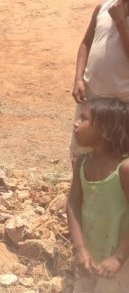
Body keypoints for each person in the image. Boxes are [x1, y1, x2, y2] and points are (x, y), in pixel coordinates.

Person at [66, 97, 129, 292]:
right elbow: (73, 204)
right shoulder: (82, 163)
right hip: (89, 258)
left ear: (104, 130)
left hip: (120, 264)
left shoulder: (124, 169)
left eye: (84, 119)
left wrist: (119, 257)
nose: (76, 123)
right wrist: (80, 249)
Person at [71, 0, 129, 159]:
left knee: (117, 157)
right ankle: (83, 191)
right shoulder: (102, 8)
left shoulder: (117, 15)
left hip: (121, 105)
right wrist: (78, 78)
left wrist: (122, 22)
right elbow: (86, 43)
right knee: (82, 153)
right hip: (93, 97)